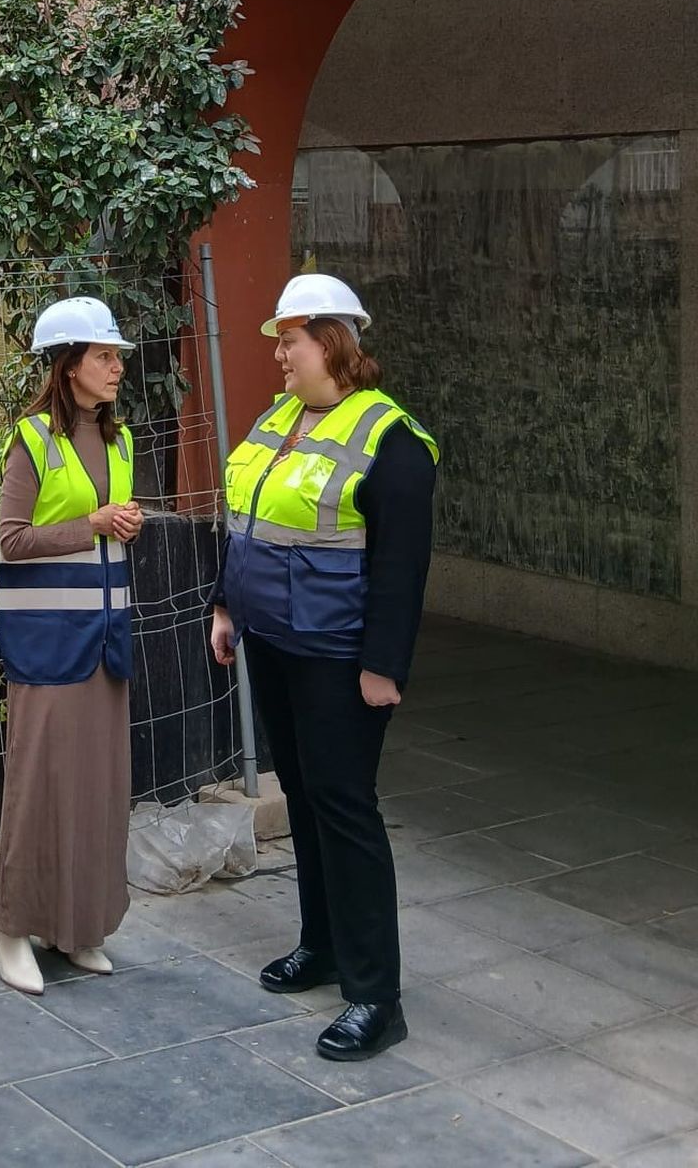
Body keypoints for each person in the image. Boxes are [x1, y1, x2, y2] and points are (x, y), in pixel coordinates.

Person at [210, 273, 438, 1060]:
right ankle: (324, 945)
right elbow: (246, 519)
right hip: (274, 642)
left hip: (341, 659)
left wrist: (384, 665)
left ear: (332, 343)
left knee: (345, 808)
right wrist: (225, 604)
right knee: (303, 798)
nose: (278, 352)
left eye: (290, 339)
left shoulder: (391, 439)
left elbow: (404, 568)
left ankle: (377, 995)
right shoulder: (282, 418)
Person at [0, 295, 143, 995]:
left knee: (97, 788)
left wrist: (123, 522)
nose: (116, 367)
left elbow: (108, 527)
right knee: (37, 786)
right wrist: (97, 523)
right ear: (70, 364)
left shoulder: (121, 439)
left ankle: (76, 925)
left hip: (106, 640)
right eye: (104, 356)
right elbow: (12, 540)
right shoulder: (32, 440)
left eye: (116, 357)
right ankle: (10, 926)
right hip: (48, 642)